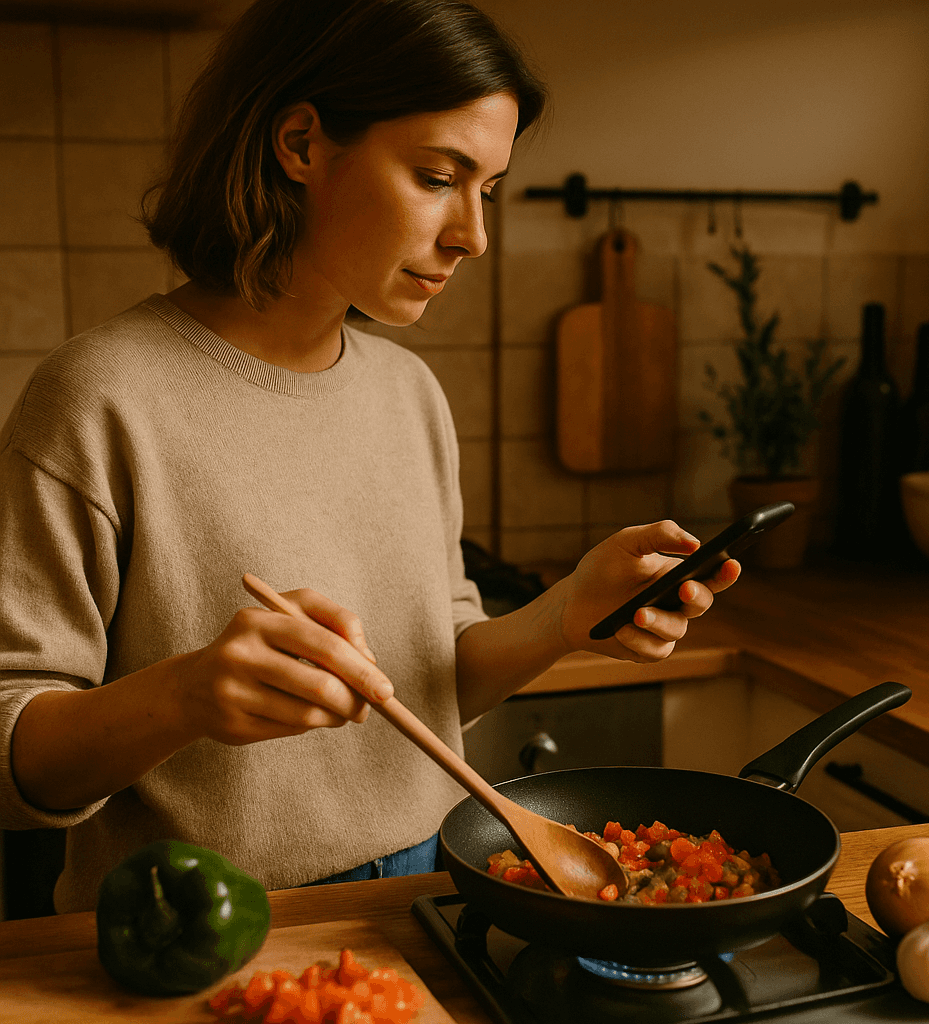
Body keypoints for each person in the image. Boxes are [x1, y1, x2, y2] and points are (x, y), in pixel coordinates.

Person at [0, 0, 740, 914]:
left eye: (489, 190)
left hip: (431, 893)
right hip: (198, 926)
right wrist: (185, 696)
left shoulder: (409, 395)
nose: (473, 233)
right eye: (439, 176)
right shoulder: (98, 395)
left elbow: (431, 685)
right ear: (302, 143)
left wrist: (565, 615)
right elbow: (11, 751)